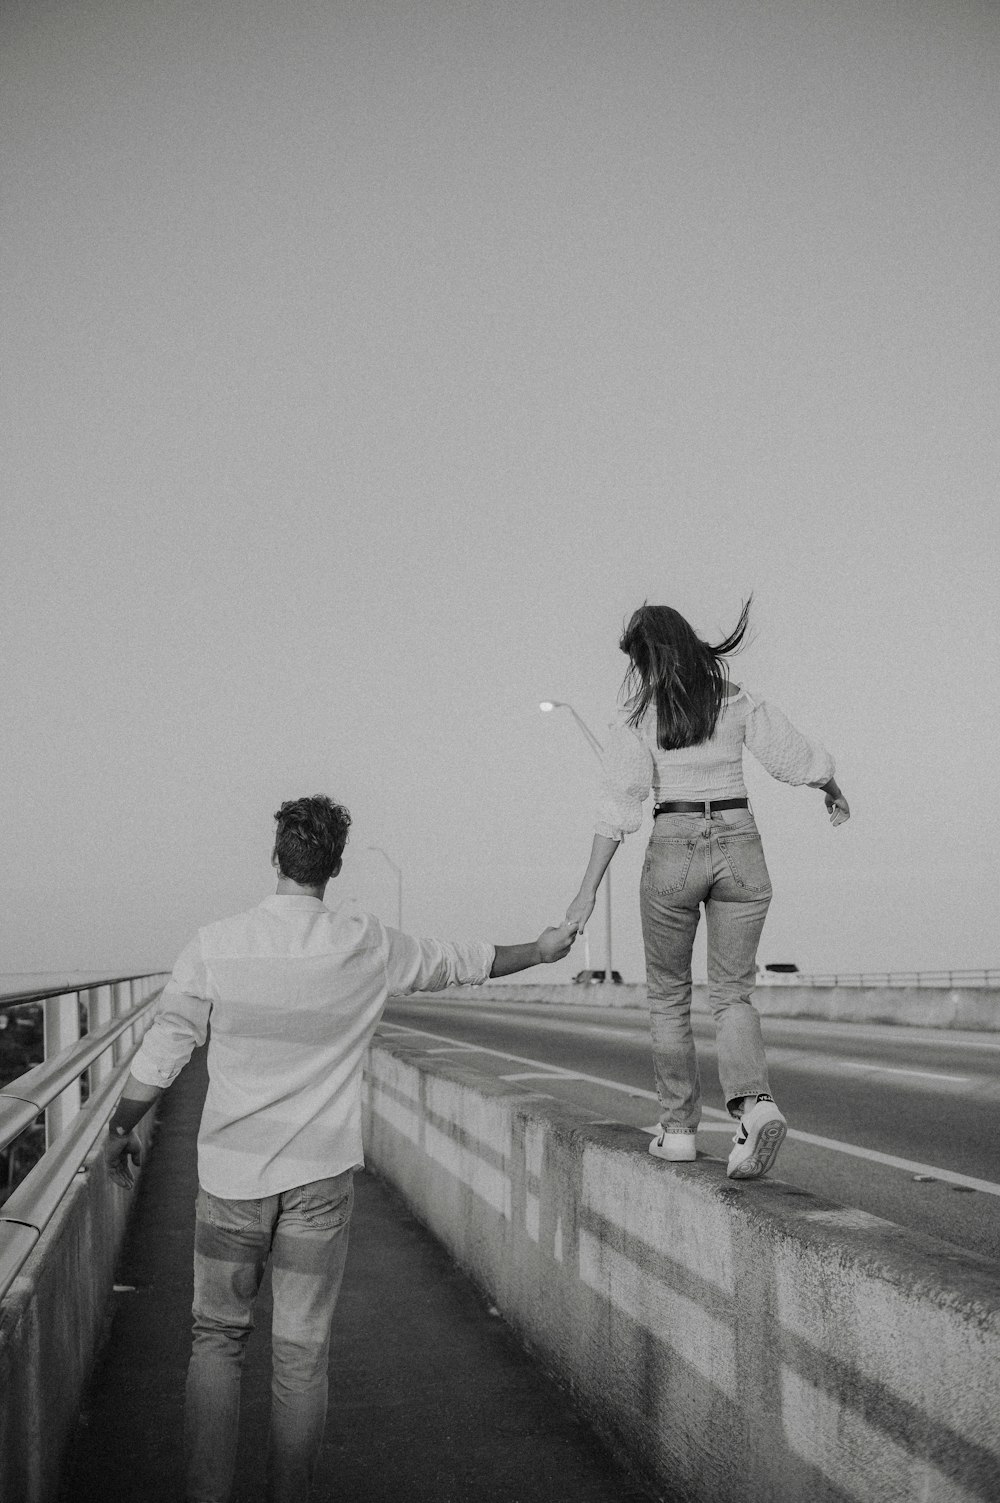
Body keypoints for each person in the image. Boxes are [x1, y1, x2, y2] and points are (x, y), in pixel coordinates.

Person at [104, 794, 576, 1503]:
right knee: (300, 1355)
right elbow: (457, 961)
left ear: (276, 857)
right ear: (336, 864)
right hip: (320, 1179)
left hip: (232, 1175)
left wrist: (121, 1124)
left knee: (216, 1339)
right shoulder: (364, 941)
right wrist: (537, 951)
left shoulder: (217, 942)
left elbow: (168, 1043)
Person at [565, 600, 849, 1181]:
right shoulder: (735, 698)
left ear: (648, 659)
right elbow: (795, 757)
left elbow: (619, 807)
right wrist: (832, 788)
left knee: (669, 996)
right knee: (732, 994)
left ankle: (677, 1130)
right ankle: (754, 1105)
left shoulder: (638, 716)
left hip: (673, 839)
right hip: (740, 841)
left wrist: (585, 892)